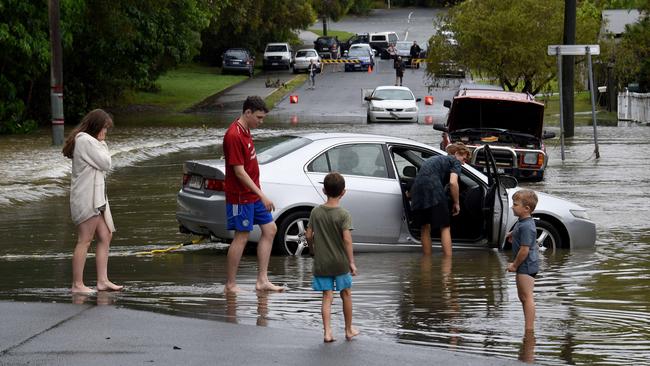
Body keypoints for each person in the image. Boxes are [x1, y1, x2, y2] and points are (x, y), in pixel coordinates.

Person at [223, 95, 284, 293]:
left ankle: (262, 281)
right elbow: (239, 172)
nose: (261, 121)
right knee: (242, 236)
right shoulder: (233, 135)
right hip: (240, 196)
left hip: (252, 195)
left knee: (270, 229)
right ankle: (230, 285)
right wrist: (263, 195)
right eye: (258, 117)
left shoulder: (246, 130)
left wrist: (258, 194)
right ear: (247, 112)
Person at [62, 109, 123, 294]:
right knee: (85, 240)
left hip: (97, 197)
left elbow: (103, 163)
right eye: (104, 128)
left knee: (105, 236)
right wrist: (102, 144)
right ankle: (77, 284)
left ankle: (102, 281)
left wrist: (101, 143)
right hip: (87, 197)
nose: (105, 133)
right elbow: (106, 163)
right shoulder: (86, 141)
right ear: (96, 127)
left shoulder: (91, 141)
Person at [305, 172, 359, 343]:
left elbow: (308, 235)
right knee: (346, 294)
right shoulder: (344, 214)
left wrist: (313, 250)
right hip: (340, 262)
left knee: (327, 297)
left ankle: (327, 332)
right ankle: (349, 329)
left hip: (322, 262)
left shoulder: (316, 212)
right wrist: (351, 262)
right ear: (343, 192)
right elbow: (347, 240)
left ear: (323, 190)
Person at [409, 142, 471, 256]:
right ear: (456, 153)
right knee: (445, 226)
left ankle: (426, 262)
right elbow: (453, 183)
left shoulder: (434, 159)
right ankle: (448, 265)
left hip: (417, 191)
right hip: (433, 189)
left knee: (425, 226)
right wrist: (457, 203)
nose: (464, 163)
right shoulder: (454, 161)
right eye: (464, 158)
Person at [506, 189, 539, 333]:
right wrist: (512, 233)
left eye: (515, 204)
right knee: (523, 297)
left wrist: (514, 265)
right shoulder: (523, 221)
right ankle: (528, 327)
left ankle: (529, 329)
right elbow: (519, 229)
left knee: (527, 297)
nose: (512, 207)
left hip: (526, 266)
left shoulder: (527, 226)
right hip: (525, 266)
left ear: (527, 209)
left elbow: (524, 250)